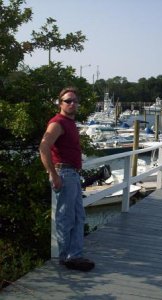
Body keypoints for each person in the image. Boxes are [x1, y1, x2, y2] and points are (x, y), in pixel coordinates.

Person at [39, 86, 95, 271]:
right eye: (67, 101)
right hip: (64, 173)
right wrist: (53, 175)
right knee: (66, 217)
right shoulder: (57, 122)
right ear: (60, 103)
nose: (72, 104)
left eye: (74, 101)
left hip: (73, 175)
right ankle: (66, 257)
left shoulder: (70, 123)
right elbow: (44, 147)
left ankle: (75, 255)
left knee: (79, 216)